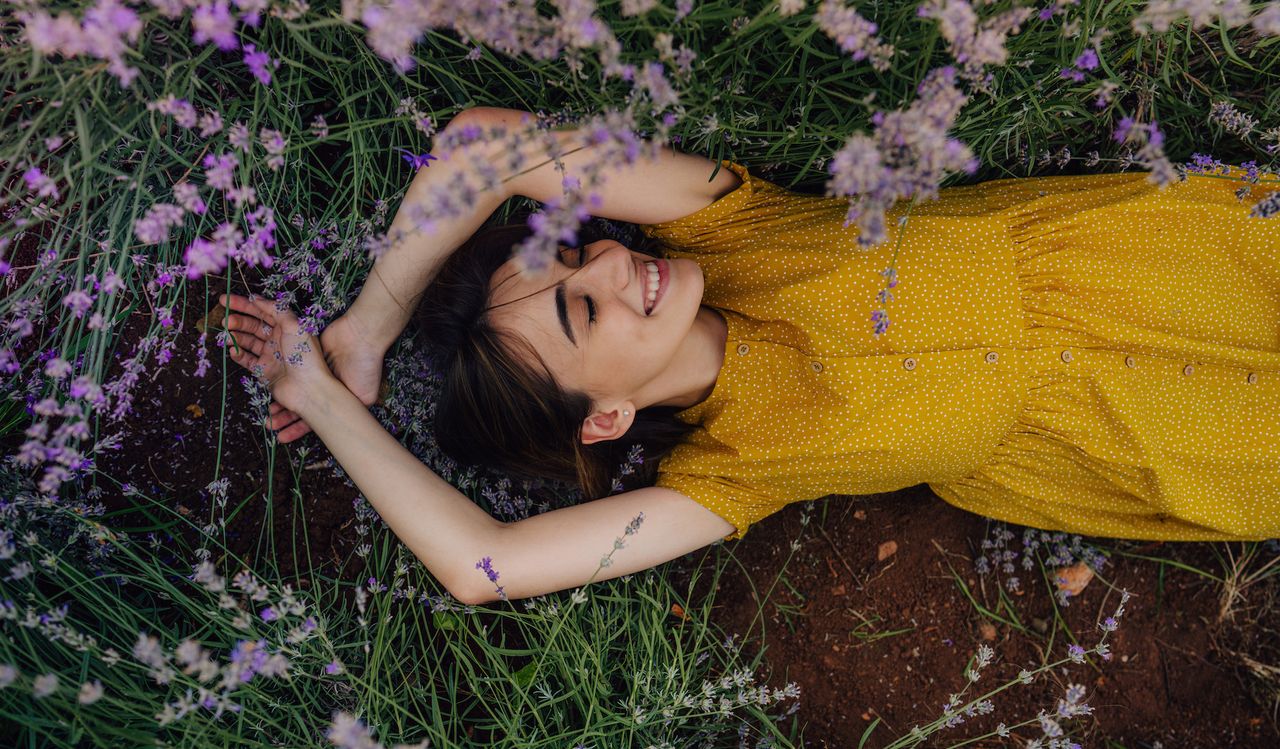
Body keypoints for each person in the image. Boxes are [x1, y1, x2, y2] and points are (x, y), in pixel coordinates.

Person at [219, 106, 1280, 605]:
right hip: (1162, 434)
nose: (610, 266)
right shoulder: (734, 471)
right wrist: (319, 390)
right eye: (582, 316)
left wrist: (366, 329)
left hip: (1178, 262)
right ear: (604, 420)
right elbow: (480, 564)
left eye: (572, 254)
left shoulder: (732, 231)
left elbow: (486, 149)